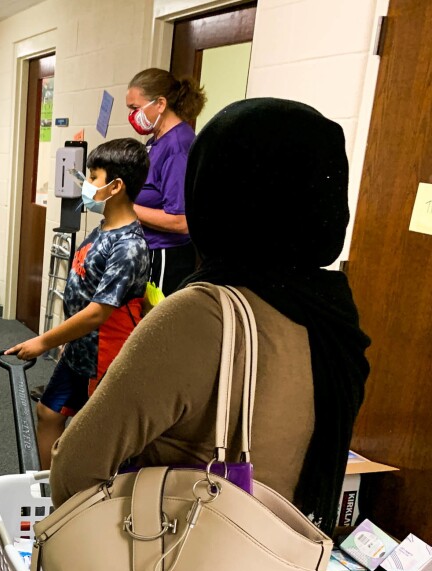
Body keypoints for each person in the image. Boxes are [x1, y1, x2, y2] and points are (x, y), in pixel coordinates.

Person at [49, 98, 371, 536]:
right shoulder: (335, 313)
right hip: (276, 559)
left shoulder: (203, 315)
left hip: (179, 559)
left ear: (215, 192)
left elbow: (76, 465)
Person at [6, 138, 150, 470]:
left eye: (93, 177)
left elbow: (99, 311)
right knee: (49, 413)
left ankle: (82, 504)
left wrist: (43, 341)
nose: (86, 185)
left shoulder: (129, 246)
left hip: (106, 359)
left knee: (96, 440)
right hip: (79, 351)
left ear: (116, 186)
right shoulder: (102, 229)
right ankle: (47, 492)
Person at [126, 68, 206, 295]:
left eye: (135, 108)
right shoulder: (156, 140)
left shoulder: (178, 145)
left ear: (160, 104)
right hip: (149, 248)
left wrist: (125, 207)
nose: (131, 116)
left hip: (167, 255)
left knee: (153, 323)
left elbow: (181, 221)